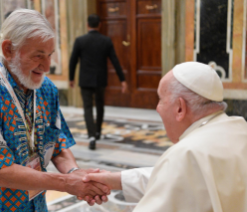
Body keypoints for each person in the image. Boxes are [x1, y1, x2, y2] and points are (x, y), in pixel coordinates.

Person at [0, 9, 109, 212]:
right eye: (38, 56)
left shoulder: (46, 89)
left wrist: (76, 174)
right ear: (9, 49)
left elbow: (58, 145)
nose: (46, 67)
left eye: (50, 55)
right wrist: (67, 183)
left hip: (35, 204)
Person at [83, 62, 247, 211]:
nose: (157, 108)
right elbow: (176, 180)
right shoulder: (239, 128)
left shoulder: (186, 153)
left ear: (180, 108)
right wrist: (114, 180)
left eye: (161, 99)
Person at [69, 14, 127, 150]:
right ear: (99, 25)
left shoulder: (80, 41)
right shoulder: (106, 41)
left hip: (85, 80)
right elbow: (115, 61)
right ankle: (98, 132)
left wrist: (71, 78)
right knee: (100, 106)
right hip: (100, 80)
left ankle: (91, 136)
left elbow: (73, 61)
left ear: (87, 25)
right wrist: (122, 79)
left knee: (88, 108)